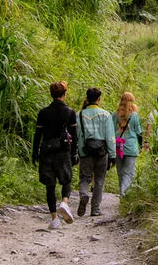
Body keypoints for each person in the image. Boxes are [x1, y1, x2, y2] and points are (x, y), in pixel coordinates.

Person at [32, 81, 77, 230]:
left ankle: (54, 219)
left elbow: (38, 135)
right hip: (63, 151)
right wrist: (74, 152)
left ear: (51, 94)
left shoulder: (43, 113)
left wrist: (35, 153)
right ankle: (64, 202)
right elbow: (74, 136)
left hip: (46, 152)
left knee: (50, 186)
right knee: (66, 179)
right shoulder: (70, 112)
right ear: (64, 94)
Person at [75, 87, 116, 217]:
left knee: (84, 178)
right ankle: (95, 209)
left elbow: (78, 135)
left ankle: (84, 194)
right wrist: (113, 155)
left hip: (86, 151)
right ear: (99, 99)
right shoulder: (106, 115)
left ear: (87, 98)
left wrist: (80, 151)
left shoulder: (79, 115)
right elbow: (110, 136)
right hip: (102, 152)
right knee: (99, 179)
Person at [114, 91, 143, 196]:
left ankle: (122, 193)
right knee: (129, 173)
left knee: (121, 173)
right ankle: (124, 194)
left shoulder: (115, 115)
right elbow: (139, 133)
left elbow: (111, 131)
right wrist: (141, 146)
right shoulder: (134, 116)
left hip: (117, 147)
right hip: (131, 147)